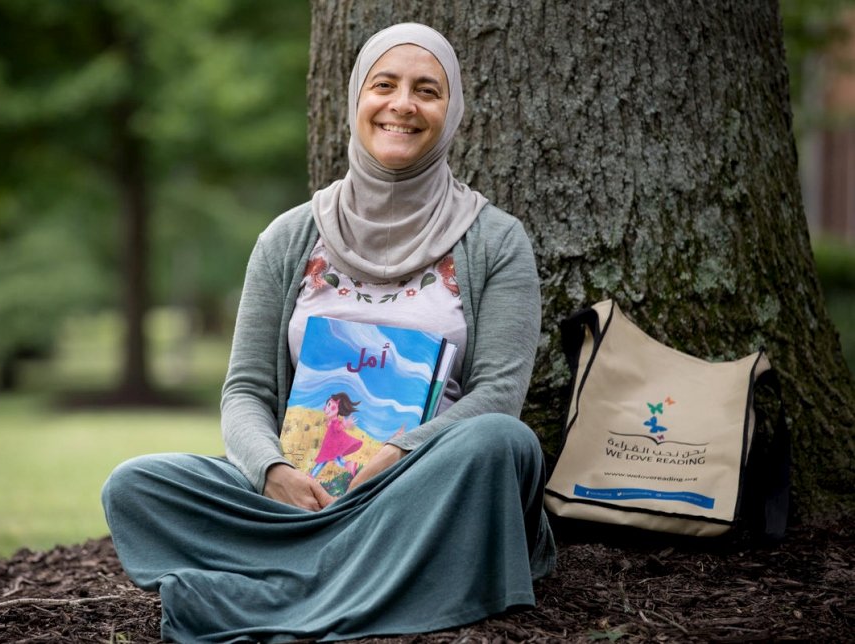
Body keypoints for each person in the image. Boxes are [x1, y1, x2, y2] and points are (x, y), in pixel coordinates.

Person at [102, 22, 556, 642]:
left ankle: (285, 584)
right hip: (301, 495)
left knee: (502, 442)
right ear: (354, 101)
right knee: (135, 485)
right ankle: (367, 575)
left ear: (452, 115)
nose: (402, 104)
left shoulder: (496, 241)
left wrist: (398, 456)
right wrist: (270, 471)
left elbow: (498, 395)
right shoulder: (289, 238)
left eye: (427, 90)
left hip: (426, 489)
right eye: (384, 84)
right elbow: (244, 391)